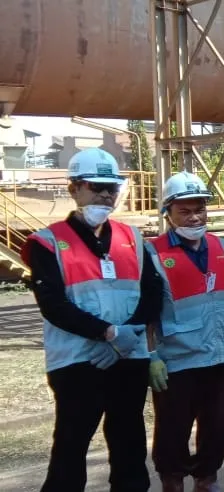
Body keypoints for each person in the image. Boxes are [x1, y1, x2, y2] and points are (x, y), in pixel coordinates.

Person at [21, 148, 162, 491]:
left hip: (128, 355)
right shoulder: (47, 242)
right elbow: (53, 304)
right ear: (74, 188)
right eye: (96, 186)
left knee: (129, 442)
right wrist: (108, 333)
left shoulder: (132, 238)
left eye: (112, 188)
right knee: (71, 445)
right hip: (78, 362)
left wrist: (126, 336)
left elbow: (153, 292)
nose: (105, 195)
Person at [146, 171, 224, 492]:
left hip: (218, 357)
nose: (195, 217)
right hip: (176, 362)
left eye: (200, 209)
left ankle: (206, 481)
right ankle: (173, 483)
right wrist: (150, 355)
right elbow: (145, 312)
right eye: (185, 211)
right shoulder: (152, 253)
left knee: (217, 428)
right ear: (167, 213)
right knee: (172, 432)